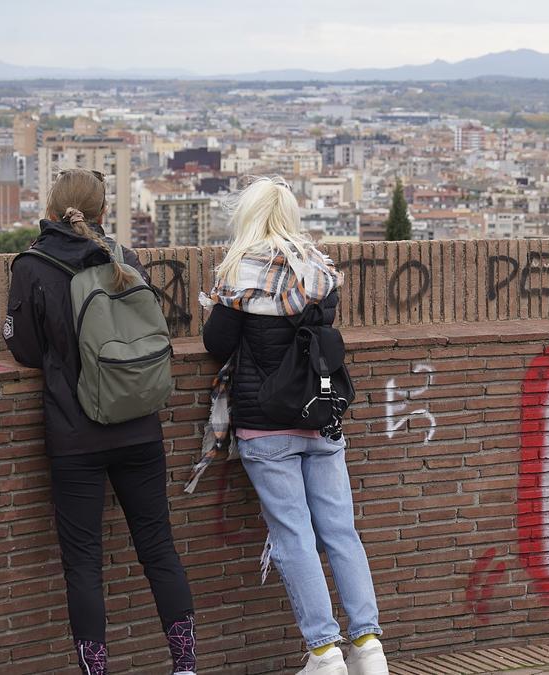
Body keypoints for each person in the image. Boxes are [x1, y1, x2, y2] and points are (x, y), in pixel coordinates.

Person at [4, 169, 197, 675]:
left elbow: (24, 348)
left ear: (50, 211)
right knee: (159, 550)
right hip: (139, 427)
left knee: (84, 565)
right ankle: (185, 666)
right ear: (103, 213)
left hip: (74, 437)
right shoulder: (125, 260)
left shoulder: (32, 265)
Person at [201, 176, 388, 675]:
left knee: (294, 538)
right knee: (341, 532)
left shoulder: (241, 273)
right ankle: (369, 647)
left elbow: (217, 343)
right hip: (319, 416)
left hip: (266, 427)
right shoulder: (319, 271)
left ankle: (325, 652)